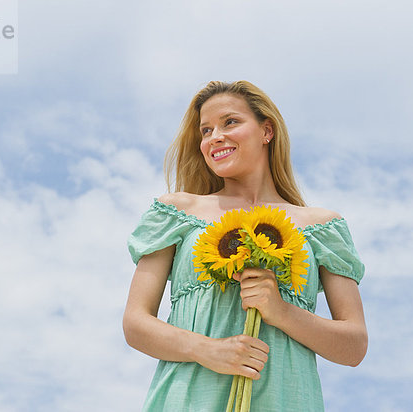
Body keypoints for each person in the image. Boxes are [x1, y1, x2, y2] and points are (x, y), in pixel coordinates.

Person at [123, 80, 367, 411]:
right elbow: (136, 323)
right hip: (187, 400)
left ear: (267, 130)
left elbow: (353, 345)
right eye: (206, 131)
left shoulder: (322, 227)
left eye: (230, 122)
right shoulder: (177, 212)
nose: (214, 137)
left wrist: (281, 311)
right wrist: (208, 349)